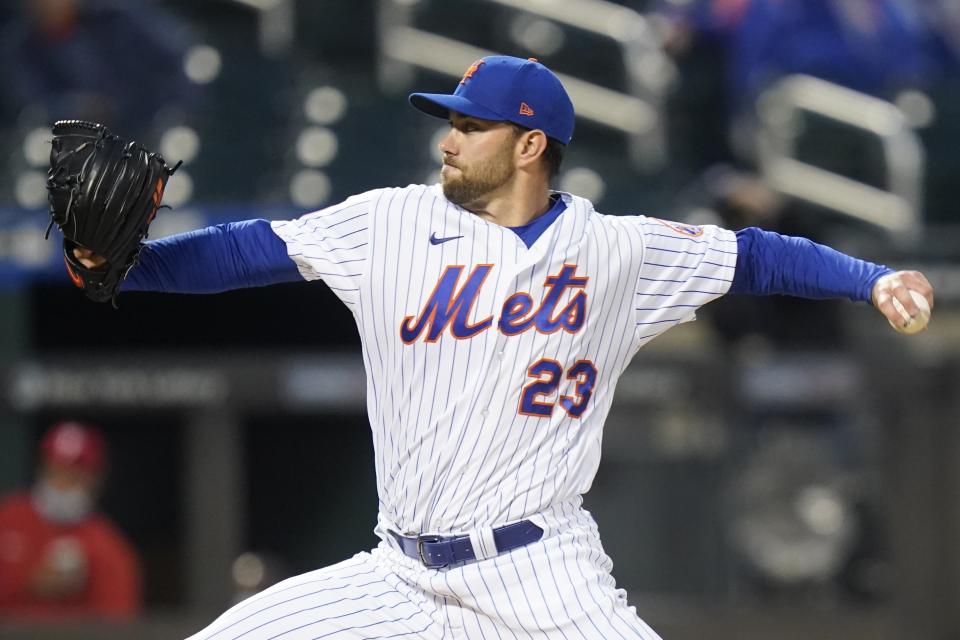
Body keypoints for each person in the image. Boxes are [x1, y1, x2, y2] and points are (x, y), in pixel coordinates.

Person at [72, 56, 932, 639]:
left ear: (529, 146)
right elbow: (243, 252)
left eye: (471, 125)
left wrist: (872, 279)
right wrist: (128, 271)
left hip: (542, 576)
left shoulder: (617, 249)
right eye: (449, 119)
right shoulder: (389, 223)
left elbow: (758, 254)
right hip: (397, 577)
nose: (448, 136)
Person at [0, 420, 142, 620]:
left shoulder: (109, 548)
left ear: (95, 480)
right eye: (56, 472)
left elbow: (119, 626)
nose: (62, 485)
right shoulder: (7, 519)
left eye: (74, 476)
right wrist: (31, 583)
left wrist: (84, 589)